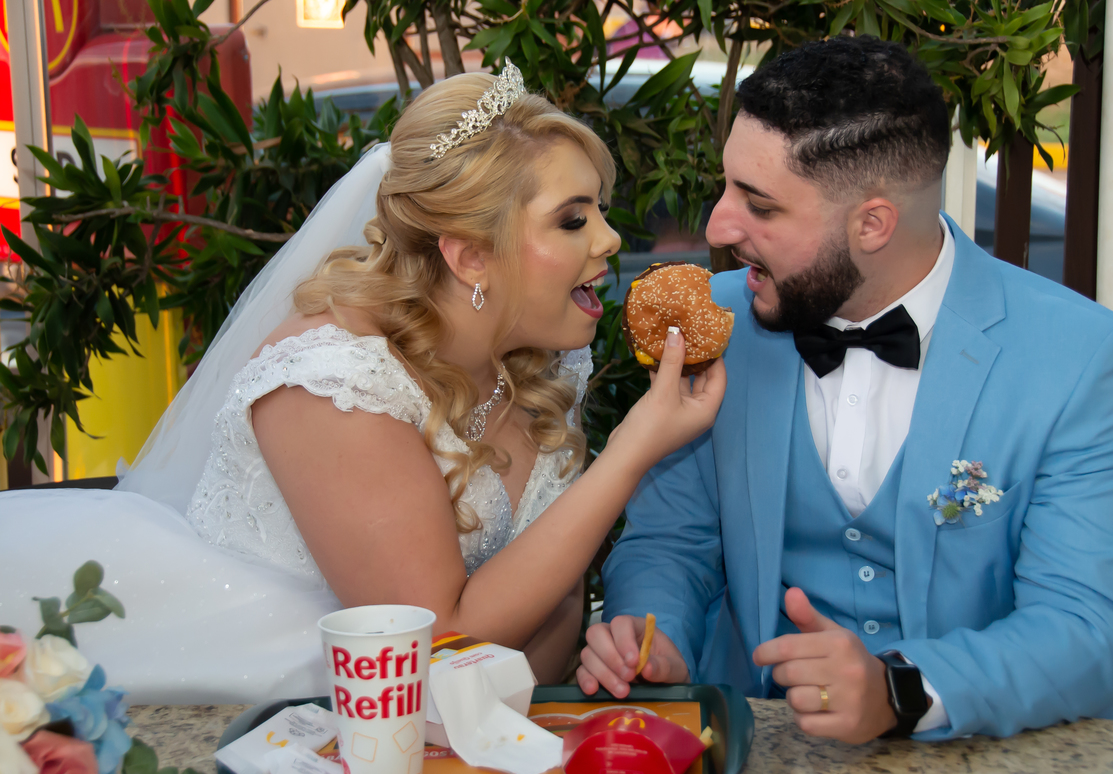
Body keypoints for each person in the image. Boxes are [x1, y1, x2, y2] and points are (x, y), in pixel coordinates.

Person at [0, 62, 725, 703]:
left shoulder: (536, 365)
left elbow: (548, 624)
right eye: (573, 220)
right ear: (471, 257)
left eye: (597, 210)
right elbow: (434, 641)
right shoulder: (332, 383)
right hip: (219, 701)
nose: (608, 240)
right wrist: (633, 449)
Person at [579, 37, 1113, 743]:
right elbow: (670, 544)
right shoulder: (713, 325)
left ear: (873, 223)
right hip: (759, 750)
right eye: (727, 186)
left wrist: (901, 690)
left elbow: (1086, 631)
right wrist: (650, 636)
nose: (719, 226)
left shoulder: (1084, 361)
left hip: (994, 761)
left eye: (760, 205)